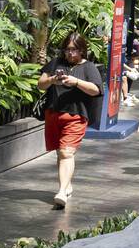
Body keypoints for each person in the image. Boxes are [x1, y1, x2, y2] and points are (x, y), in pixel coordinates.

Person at [37, 32, 104, 209]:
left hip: (76, 116)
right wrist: (53, 80)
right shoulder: (56, 63)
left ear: (82, 50)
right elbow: (41, 84)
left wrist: (75, 82)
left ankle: (61, 191)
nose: (70, 53)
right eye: (67, 49)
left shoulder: (88, 67)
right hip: (54, 114)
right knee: (61, 153)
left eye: (73, 50)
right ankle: (67, 185)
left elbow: (95, 90)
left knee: (66, 152)